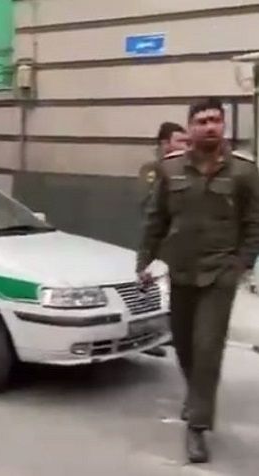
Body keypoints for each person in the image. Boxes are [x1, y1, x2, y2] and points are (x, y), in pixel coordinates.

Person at [136, 97, 259, 464]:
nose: (209, 126)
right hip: (181, 270)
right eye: (202, 121)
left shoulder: (244, 172)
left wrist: (242, 264)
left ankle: (197, 426)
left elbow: (254, 224)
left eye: (215, 120)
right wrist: (144, 261)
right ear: (190, 128)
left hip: (219, 274)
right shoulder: (171, 169)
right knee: (185, 345)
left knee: (207, 348)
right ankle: (197, 396)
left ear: (223, 126)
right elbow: (156, 218)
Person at [139, 122, 189, 358]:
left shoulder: (181, 168)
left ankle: (169, 332)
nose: (185, 146)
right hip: (158, 240)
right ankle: (147, 338)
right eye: (180, 141)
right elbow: (149, 205)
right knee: (151, 290)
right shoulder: (155, 170)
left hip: (176, 241)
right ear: (165, 143)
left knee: (171, 291)